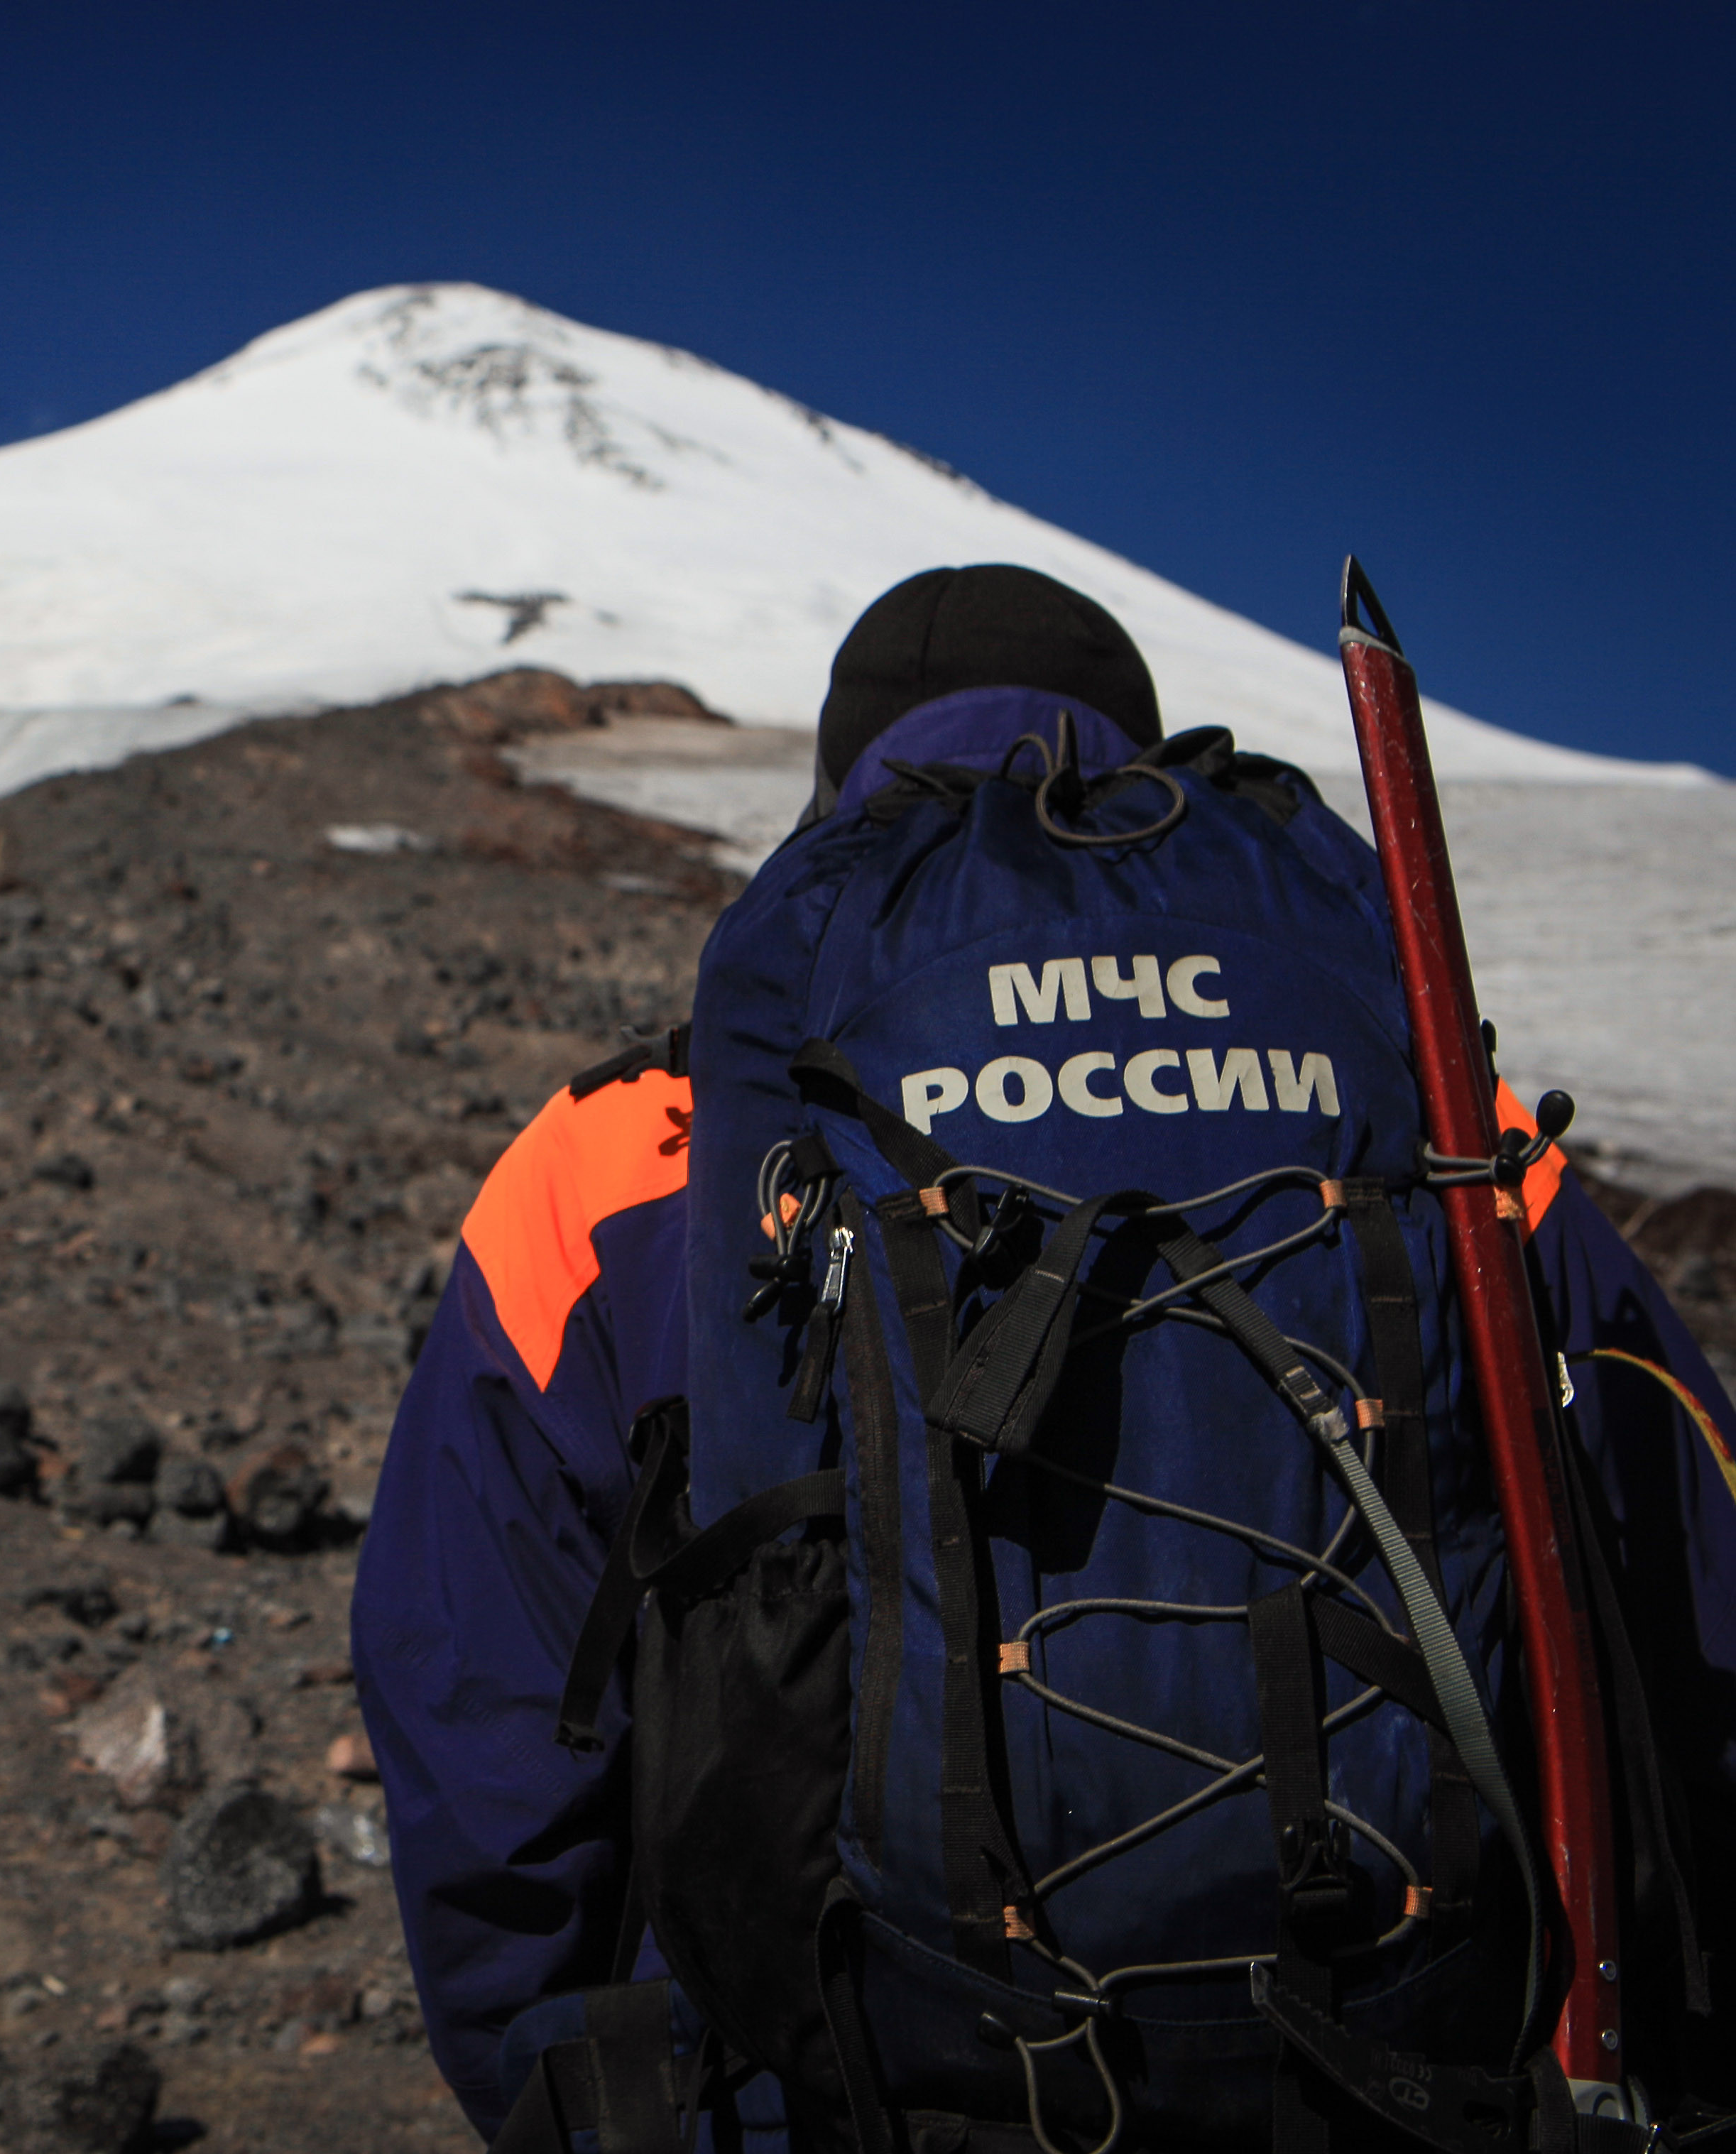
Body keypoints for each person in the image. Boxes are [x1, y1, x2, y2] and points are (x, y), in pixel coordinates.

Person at [350, 566, 1736, 2146]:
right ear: (1140, 780)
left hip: (850, 2078)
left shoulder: (621, 1156)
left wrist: (567, 2085)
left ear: (830, 807)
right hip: (1407, 2060)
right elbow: (1688, 1588)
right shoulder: (1435, 1108)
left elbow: (478, 1709)